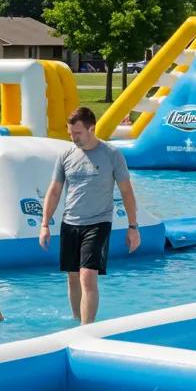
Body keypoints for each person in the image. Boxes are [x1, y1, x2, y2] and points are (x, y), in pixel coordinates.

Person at [39, 106, 140, 325]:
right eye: (70, 133)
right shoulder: (65, 155)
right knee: (73, 277)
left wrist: (133, 227)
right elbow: (54, 191)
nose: (73, 138)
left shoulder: (112, 155)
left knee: (87, 276)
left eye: (77, 133)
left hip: (98, 223)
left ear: (91, 128)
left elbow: (126, 191)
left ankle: (87, 328)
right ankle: (77, 322)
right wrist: (44, 224)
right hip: (70, 222)